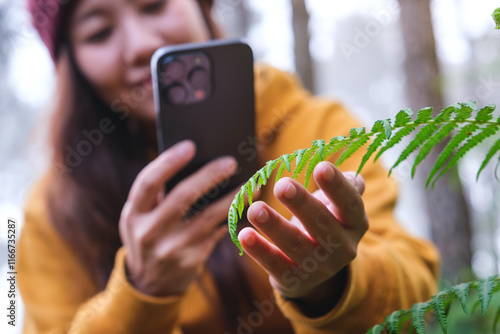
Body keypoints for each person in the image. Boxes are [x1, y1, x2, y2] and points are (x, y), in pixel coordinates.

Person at [18, 0, 440, 333]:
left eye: (154, 5)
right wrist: (141, 292)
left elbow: (417, 297)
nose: (140, 44)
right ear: (70, 62)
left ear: (203, 5)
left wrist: (332, 287)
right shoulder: (52, 212)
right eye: (99, 32)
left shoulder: (320, 130)